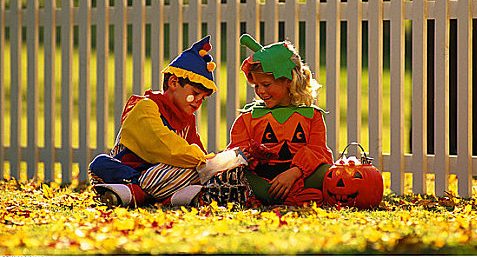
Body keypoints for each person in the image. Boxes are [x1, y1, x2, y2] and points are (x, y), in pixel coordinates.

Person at [89, 36, 252, 207]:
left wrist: (208, 163)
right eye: (195, 93)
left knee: (196, 169)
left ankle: (135, 194)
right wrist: (204, 162)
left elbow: (195, 149)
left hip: (166, 173)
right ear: (174, 82)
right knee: (100, 164)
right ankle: (160, 194)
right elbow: (164, 145)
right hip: (132, 171)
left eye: (202, 98)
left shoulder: (187, 118)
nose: (198, 101)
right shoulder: (147, 107)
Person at [225, 34, 334, 206]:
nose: (260, 91)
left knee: (329, 173)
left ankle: (282, 195)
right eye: (256, 86)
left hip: (298, 175)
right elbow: (235, 153)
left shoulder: (311, 116)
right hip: (263, 180)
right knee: (236, 175)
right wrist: (248, 156)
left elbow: (317, 150)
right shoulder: (248, 118)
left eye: (266, 85)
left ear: (288, 81)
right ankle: (287, 196)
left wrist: (294, 172)